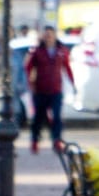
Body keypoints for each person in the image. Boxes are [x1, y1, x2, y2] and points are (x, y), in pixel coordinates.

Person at [24, 25, 76, 154]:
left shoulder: (61, 51)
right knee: (38, 117)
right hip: (40, 89)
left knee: (57, 116)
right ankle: (35, 139)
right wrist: (30, 83)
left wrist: (73, 83)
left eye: (51, 35)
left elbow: (67, 68)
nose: (49, 38)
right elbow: (28, 67)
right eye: (46, 35)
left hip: (56, 89)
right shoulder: (37, 51)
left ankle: (57, 140)